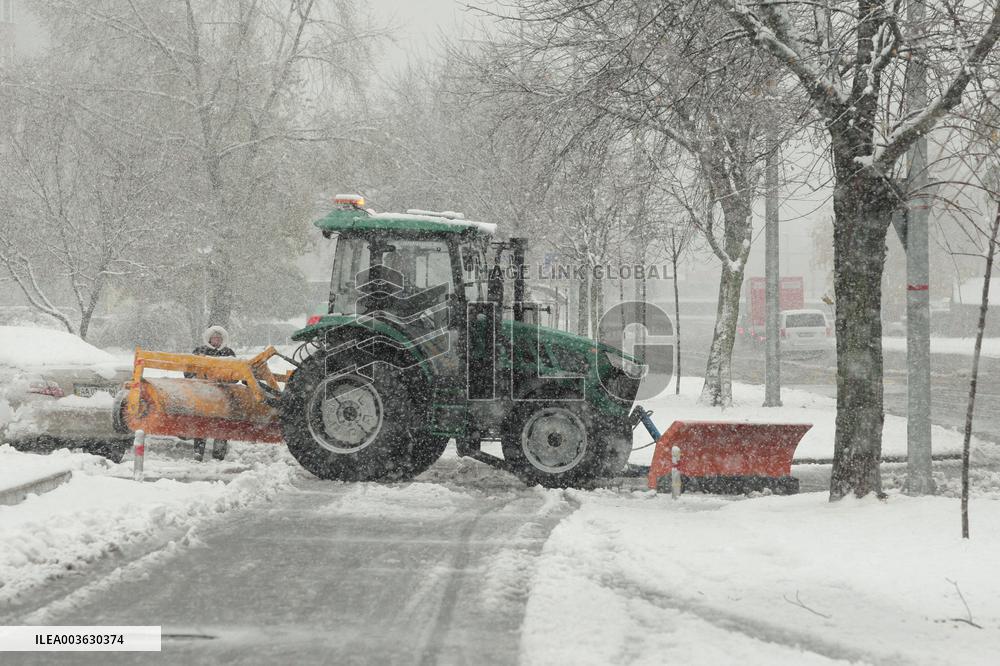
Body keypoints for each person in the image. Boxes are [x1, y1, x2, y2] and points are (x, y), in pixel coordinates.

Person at [189, 325, 235, 462]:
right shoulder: (199, 351)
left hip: (223, 393)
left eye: (219, 338)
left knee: (222, 424)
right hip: (203, 393)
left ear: (223, 339)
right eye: (214, 338)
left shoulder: (229, 353)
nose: (217, 340)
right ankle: (198, 452)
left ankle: (219, 455)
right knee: (202, 422)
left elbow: (236, 374)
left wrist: (226, 378)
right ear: (209, 339)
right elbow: (188, 370)